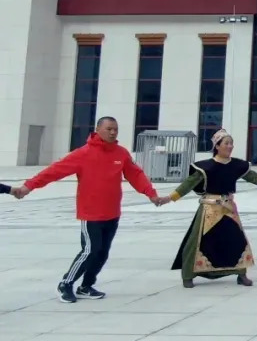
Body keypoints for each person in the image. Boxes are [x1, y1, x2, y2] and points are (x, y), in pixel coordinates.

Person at [11, 116, 160, 303]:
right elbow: (54, 171)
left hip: (112, 212)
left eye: (115, 129)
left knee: (102, 252)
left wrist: (151, 194)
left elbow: (135, 175)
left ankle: (86, 286)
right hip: (91, 213)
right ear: (97, 129)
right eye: (109, 129)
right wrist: (28, 186)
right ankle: (66, 283)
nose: (113, 132)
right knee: (90, 250)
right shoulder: (83, 153)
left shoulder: (121, 153)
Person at [158, 129, 257, 288]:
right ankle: (188, 275)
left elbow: (254, 177)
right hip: (209, 209)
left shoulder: (237, 165)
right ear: (217, 146)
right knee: (196, 243)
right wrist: (169, 198)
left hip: (228, 208)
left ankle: (241, 274)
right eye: (226, 143)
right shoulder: (206, 167)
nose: (230, 146)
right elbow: (188, 184)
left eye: (231, 143)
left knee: (236, 239)